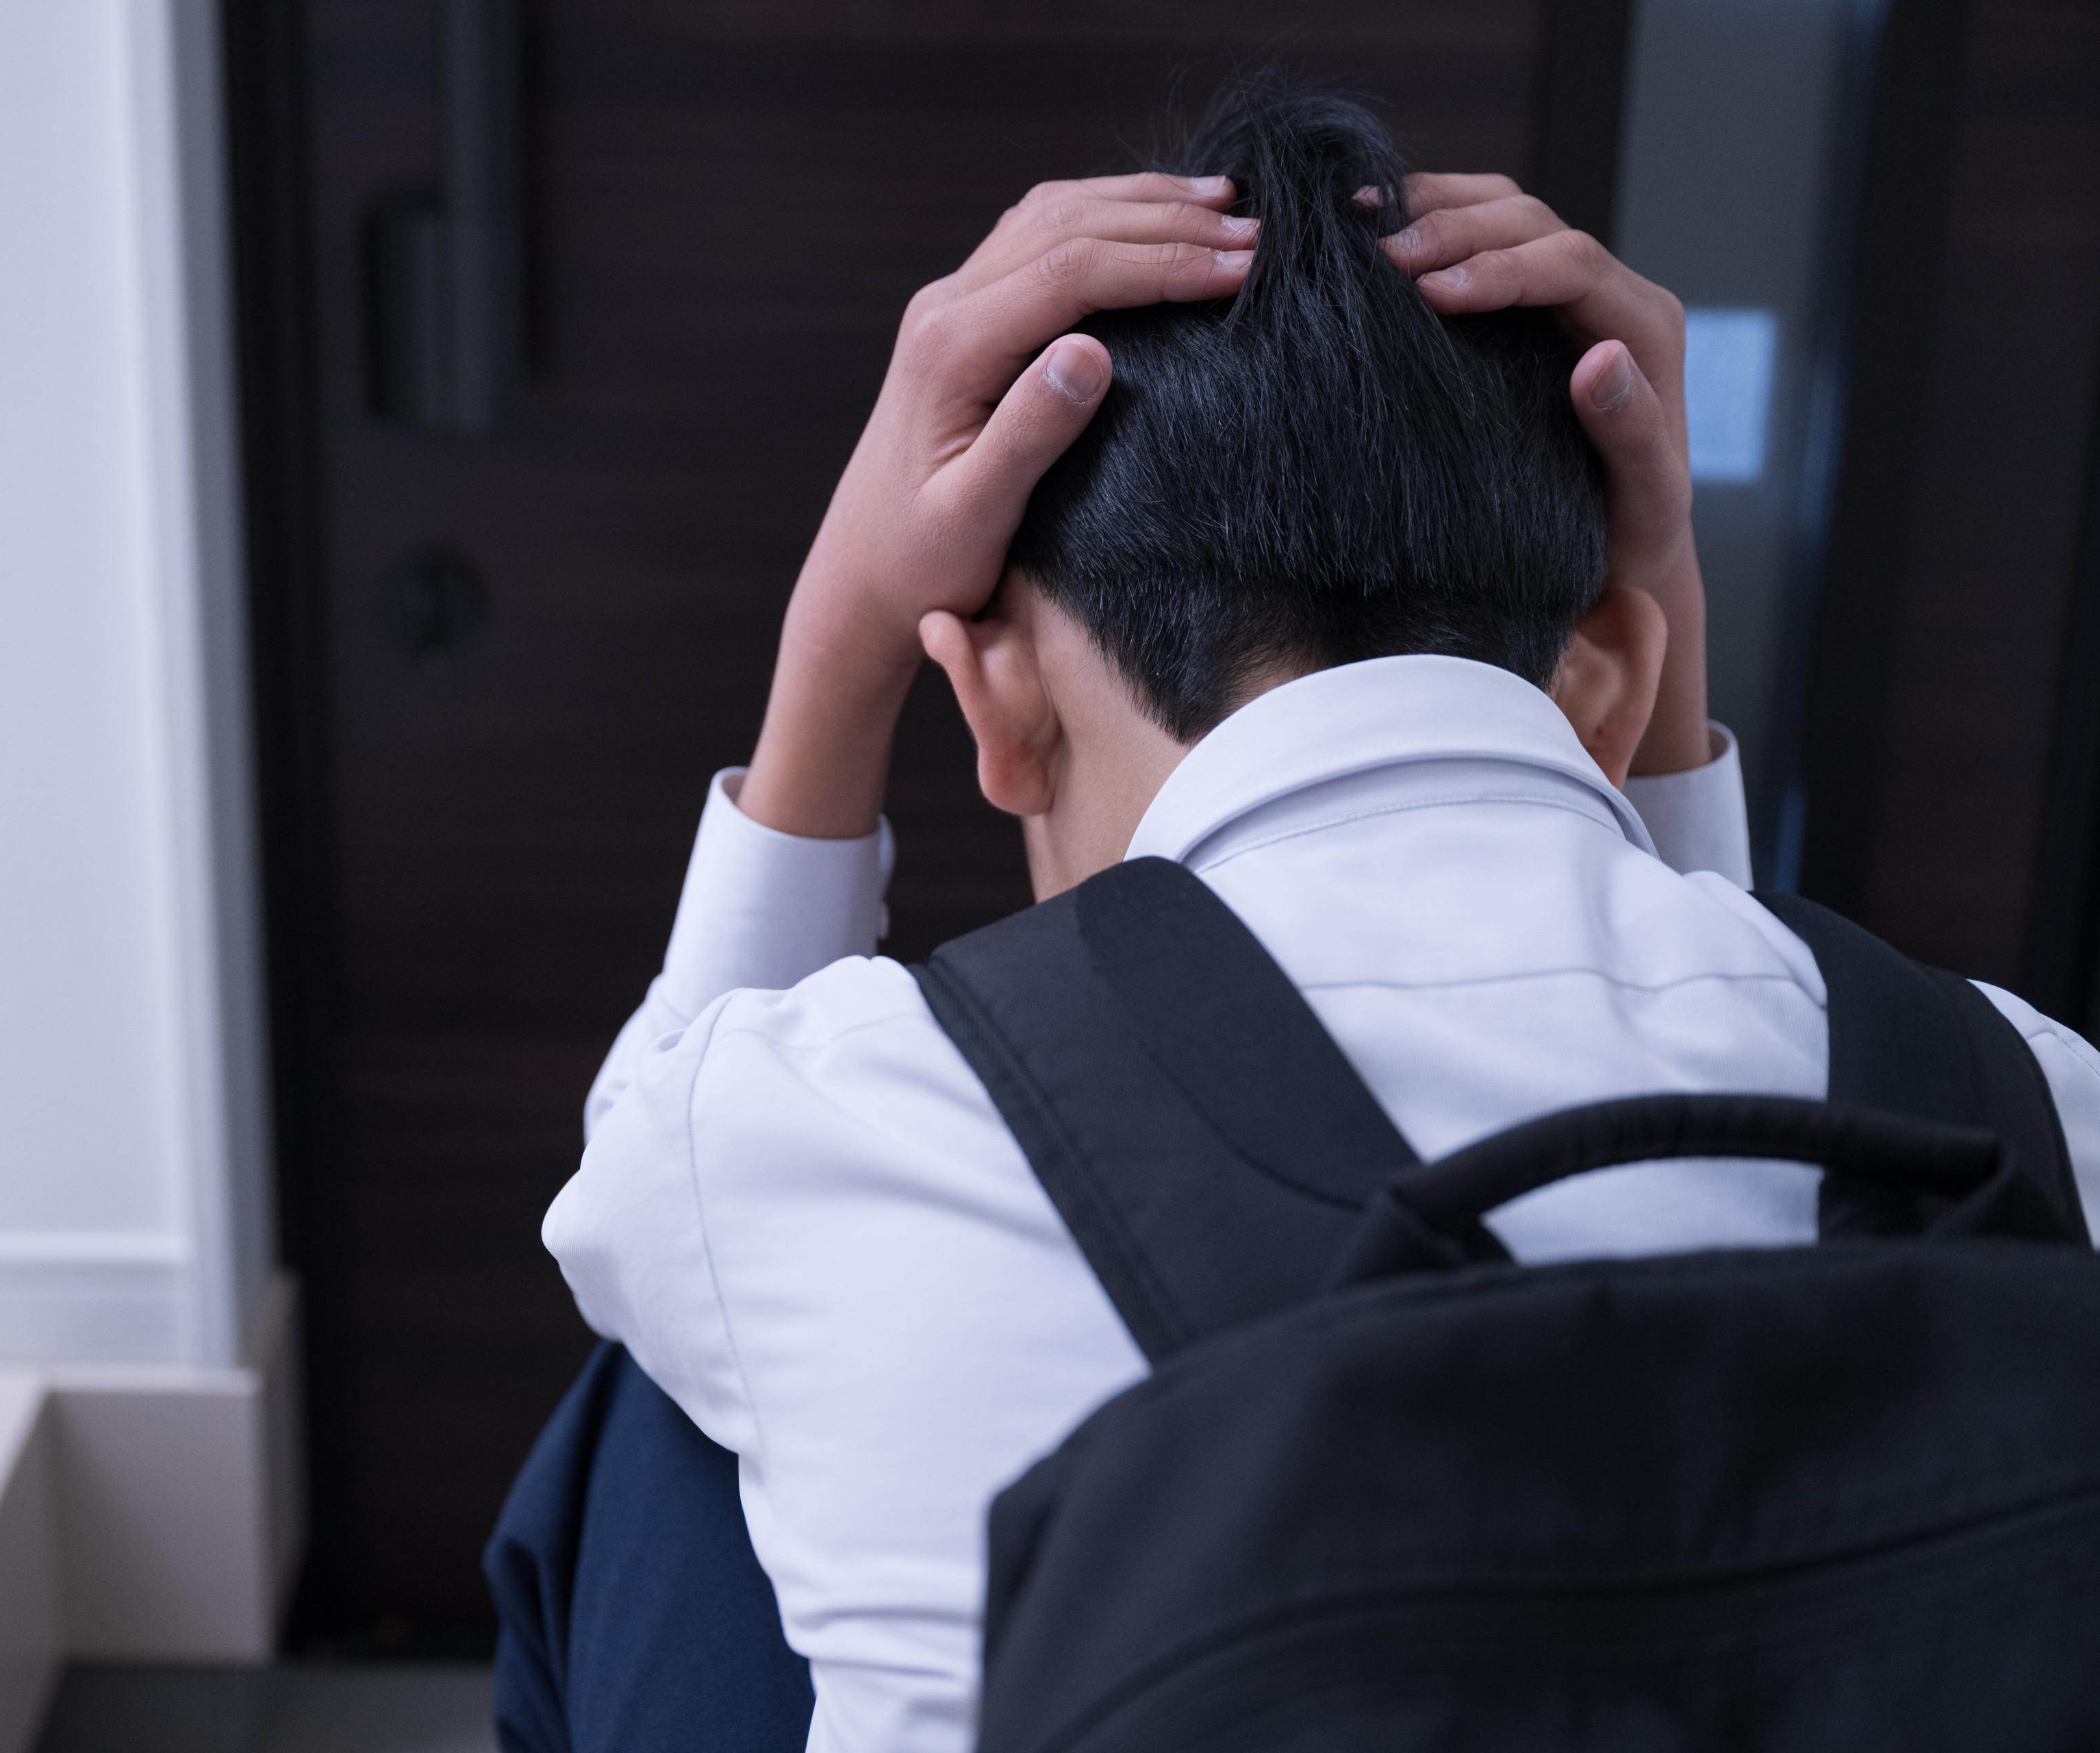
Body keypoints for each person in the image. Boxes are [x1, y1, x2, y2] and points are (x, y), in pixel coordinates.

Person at [530, 89, 2100, 1753]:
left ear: (997, 702)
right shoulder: (2036, 1109)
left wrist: (848, 613)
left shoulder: (845, 1117)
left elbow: (630, 1186)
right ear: (1619, 680)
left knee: (659, 1410)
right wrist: (1651, 650)